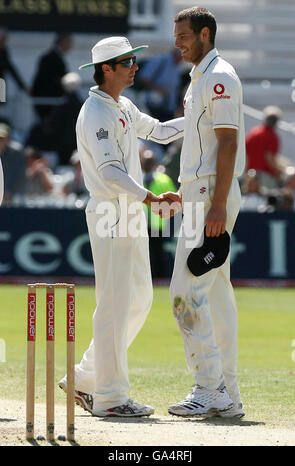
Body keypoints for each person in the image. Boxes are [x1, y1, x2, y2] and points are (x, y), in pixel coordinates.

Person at [58, 36, 184, 417]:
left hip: (128, 211)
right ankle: (110, 397)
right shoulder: (94, 113)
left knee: (139, 300)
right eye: (127, 61)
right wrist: (152, 199)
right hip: (112, 210)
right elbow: (111, 171)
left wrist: (198, 118)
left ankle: (85, 376)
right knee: (113, 303)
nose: (135, 67)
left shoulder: (124, 105)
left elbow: (160, 131)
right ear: (106, 69)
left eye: (134, 60)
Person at [160, 7, 246, 418]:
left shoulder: (218, 77)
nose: (177, 42)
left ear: (205, 33)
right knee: (216, 295)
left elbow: (227, 145)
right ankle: (227, 392)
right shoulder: (200, 78)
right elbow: (204, 141)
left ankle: (209, 387)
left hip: (212, 194)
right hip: (202, 192)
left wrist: (214, 203)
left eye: (183, 35)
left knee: (184, 294)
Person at [140, 148, 177, 278]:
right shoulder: (136, 178)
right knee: (141, 255)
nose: (147, 164)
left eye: (149, 161)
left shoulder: (163, 179)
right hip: (139, 223)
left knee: (158, 254)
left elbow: (174, 197)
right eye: (146, 161)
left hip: (157, 223)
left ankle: (159, 279)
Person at [31, 33, 73, 120]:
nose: (71, 46)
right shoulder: (51, 57)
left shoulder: (51, 56)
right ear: (63, 43)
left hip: (48, 100)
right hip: (48, 101)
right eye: (69, 43)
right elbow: (48, 80)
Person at [137, 48, 183, 121]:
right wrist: (158, 89)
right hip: (154, 106)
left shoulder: (177, 66)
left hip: (169, 109)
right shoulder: (160, 61)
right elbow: (142, 78)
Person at [50, 72, 83, 166]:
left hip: (62, 145)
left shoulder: (60, 105)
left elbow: (54, 125)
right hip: (78, 143)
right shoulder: (82, 105)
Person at [246, 106, 282, 189]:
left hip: (250, 175)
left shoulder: (253, 133)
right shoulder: (272, 136)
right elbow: (269, 157)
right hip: (265, 176)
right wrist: (277, 173)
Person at [0, 122, 26, 203]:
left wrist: (9, 191)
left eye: (1, 138)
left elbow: (17, 174)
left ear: (8, 139)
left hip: (13, 196)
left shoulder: (16, 153)